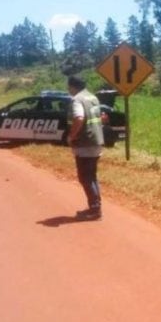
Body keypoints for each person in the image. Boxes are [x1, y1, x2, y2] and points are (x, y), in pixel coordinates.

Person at [67, 75, 104, 220]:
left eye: (68, 86)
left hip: (85, 143)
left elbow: (79, 118)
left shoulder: (77, 99)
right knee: (92, 177)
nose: (68, 89)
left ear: (73, 86)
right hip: (96, 141)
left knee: (85, 177)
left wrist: (71, 136)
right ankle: (95, 207)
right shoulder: (93, 97)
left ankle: (95, 210)